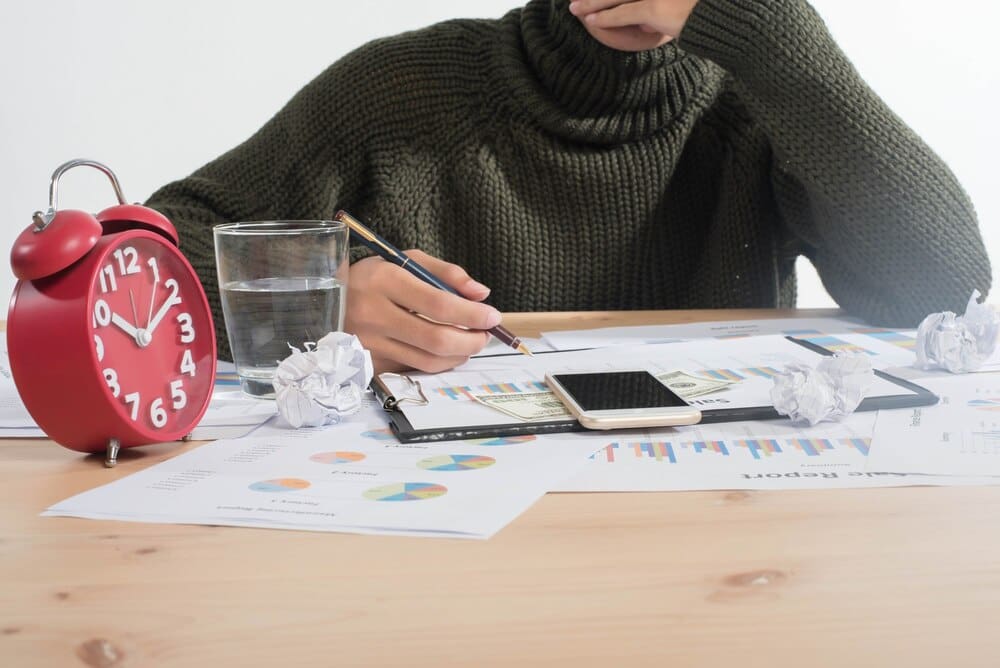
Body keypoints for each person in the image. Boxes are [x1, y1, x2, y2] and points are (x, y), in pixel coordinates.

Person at [147, 0, 992, 374]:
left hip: (723, 548)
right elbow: (152, 239)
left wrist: (763, 21)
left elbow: (952, 297)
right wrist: (315, 307)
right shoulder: (397, 90)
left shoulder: (769, 95)